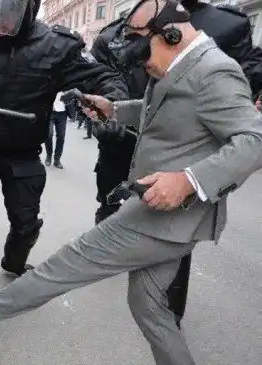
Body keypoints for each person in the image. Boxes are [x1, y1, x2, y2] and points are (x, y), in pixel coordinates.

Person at [0, 1, 262, 365]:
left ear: (171, 35)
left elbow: (254, 141)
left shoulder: (215, 71)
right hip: (165, 215)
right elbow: (162, 113)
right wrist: (114, 109)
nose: (143, 65)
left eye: (143, 53)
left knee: (65, 264)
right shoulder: (181, 66)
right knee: (150, 308)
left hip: (166, 217)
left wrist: (187, 180)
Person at [0, 0, 128, 304]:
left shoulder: (58, 45)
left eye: (6, 14)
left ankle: (14, 262)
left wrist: (112, 106)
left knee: (25, 223)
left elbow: (105, 79)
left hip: (23, 151)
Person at [90, 0, 262, 329]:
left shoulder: (226, 26)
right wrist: (111, 110)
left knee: (171, 242)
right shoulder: (127, 24)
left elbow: (241, 97)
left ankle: (167, 314)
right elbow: (114, 80)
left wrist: (193, 172)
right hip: (121, 147)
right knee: (112, 216)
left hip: (179, 158)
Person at [44, 91, 68, 168]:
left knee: (61, 136)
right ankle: (49, 155)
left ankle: (57, 160)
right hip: (50, 112)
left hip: (63, 113)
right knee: (49, 134)